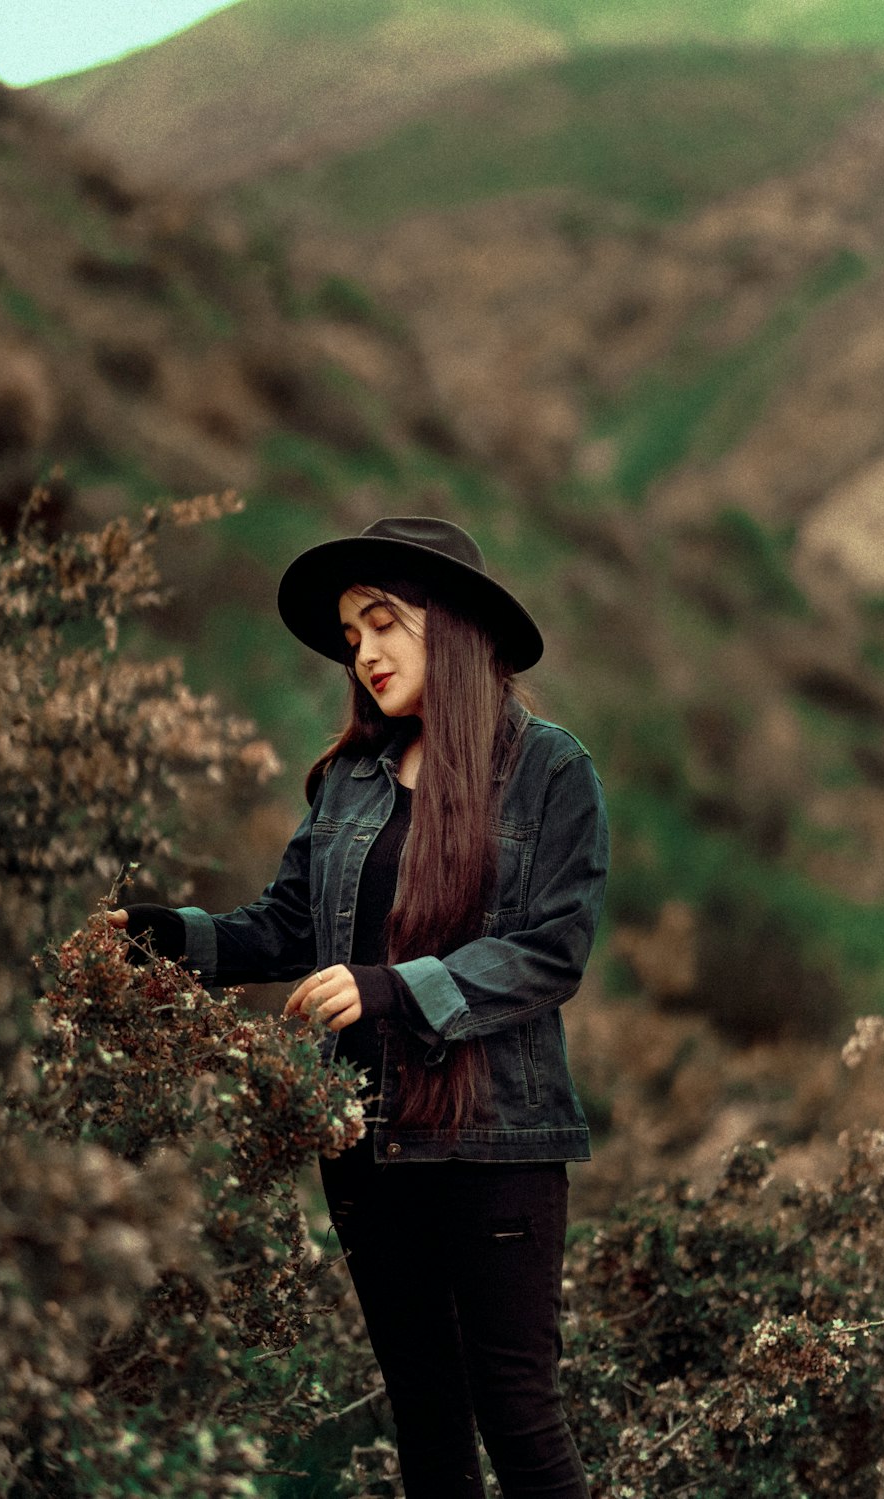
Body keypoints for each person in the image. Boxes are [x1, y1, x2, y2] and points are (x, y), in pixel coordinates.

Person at [109, 515, 609, 1498]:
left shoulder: (552, 770)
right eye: (351, 636)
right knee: (426, 1422)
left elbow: (551, 950)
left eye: (382, 622)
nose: (365, 652)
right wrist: (167, 934)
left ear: (452, 625)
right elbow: (289, 922)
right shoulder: (351, 775)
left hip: (495, 1143)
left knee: (519, 1419)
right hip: (366, 1146)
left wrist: (389, 988)